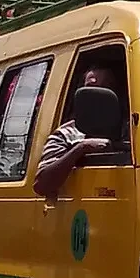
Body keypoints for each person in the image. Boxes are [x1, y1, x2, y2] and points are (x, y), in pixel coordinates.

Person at [34, 64, 121, 199]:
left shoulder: (133, 127)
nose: (99, 93)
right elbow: (41, 185)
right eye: (91, 87)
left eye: (106, 87)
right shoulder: (67, 134)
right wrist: (81, 149)